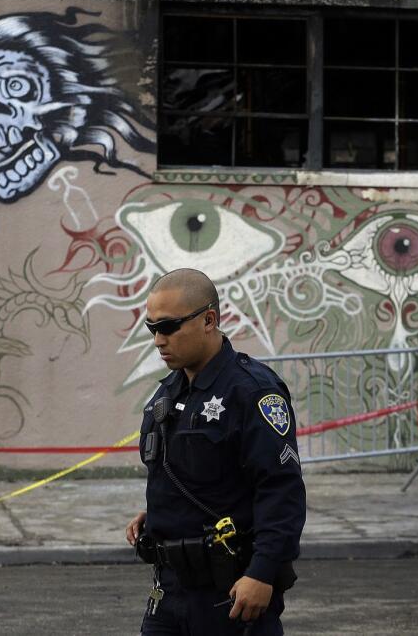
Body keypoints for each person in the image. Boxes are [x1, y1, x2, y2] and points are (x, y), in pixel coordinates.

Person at [125, 268, 306, 635]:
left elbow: (280, 489)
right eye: (152, 328)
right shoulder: (169, 393)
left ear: (209, 320)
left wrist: (262, 572)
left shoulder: (252, 391)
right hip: (170, 590)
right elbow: (197, 473)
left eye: (169, 326)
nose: (159, 340)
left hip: (230, 592)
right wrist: (160, 511)